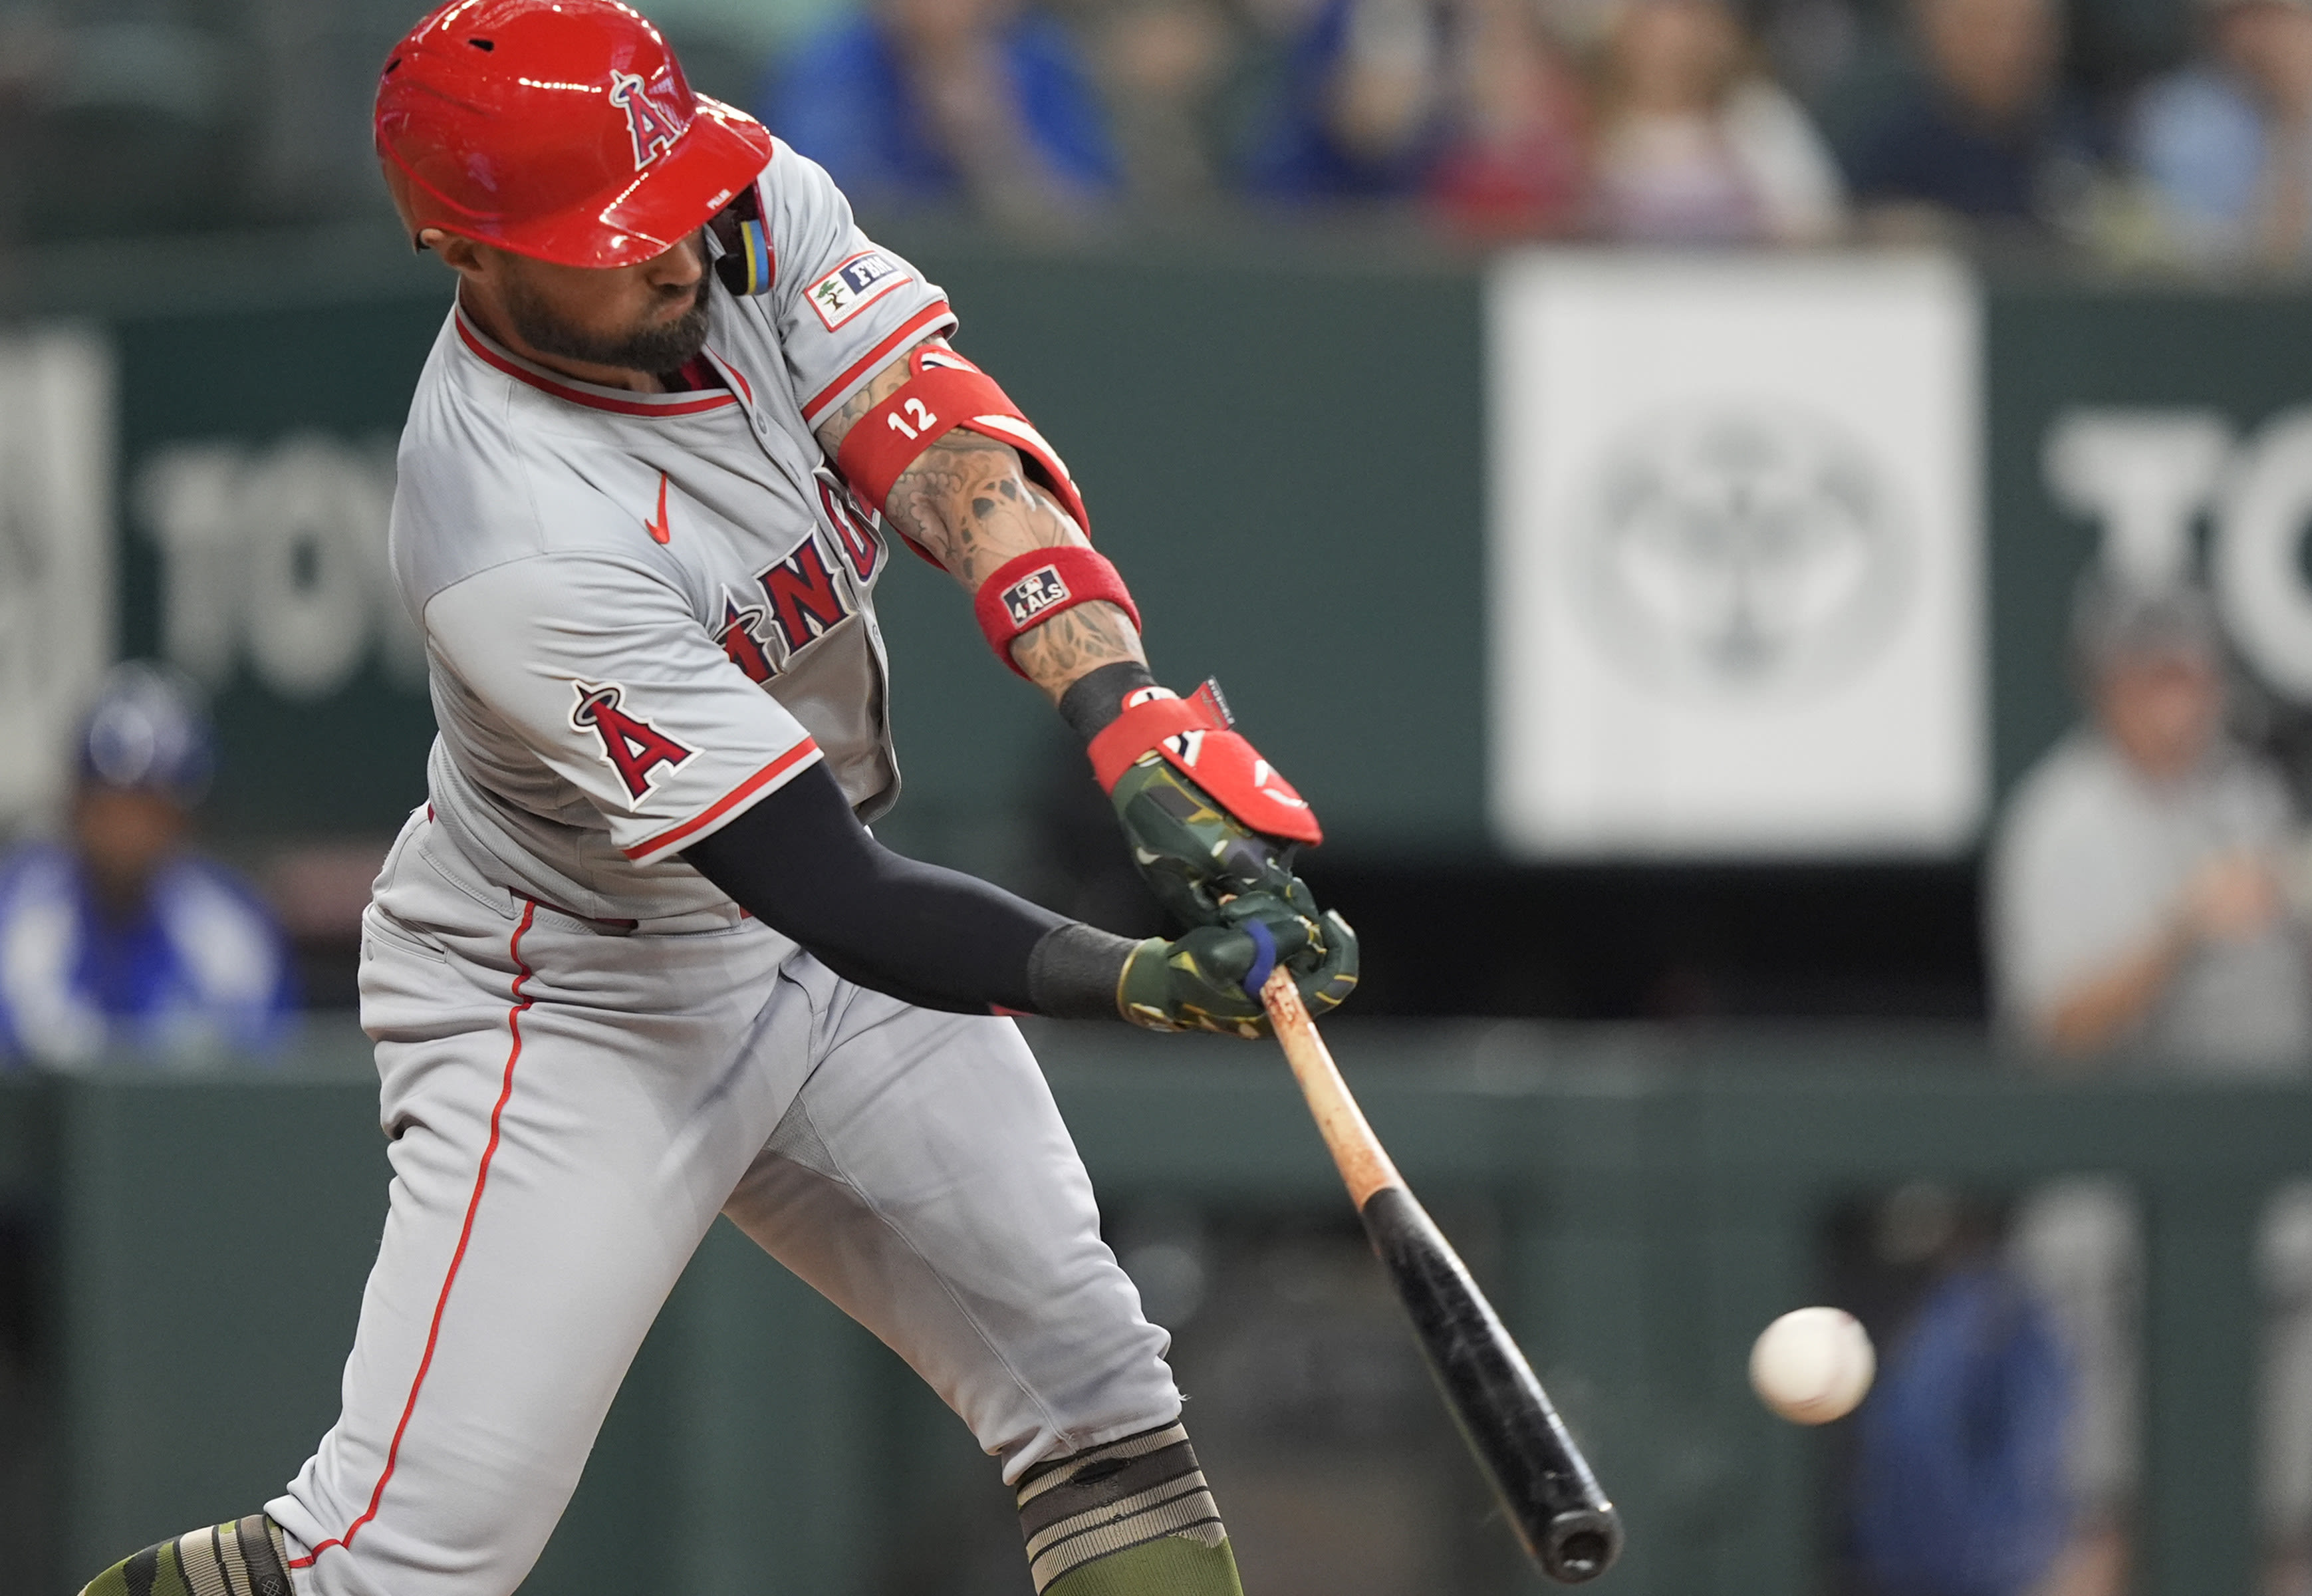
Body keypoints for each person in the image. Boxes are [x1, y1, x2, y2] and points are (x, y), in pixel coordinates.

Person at [75, 3, 1357, 1593]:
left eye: (673, 194)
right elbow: (827, 888)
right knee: (395, 1564)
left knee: (1101, 1397)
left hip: (818, 948)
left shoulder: (741, 207)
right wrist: (1137, 976)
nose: (676, 251)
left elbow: (946, 445)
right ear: (460, 247)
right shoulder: (505, 524)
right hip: (573, 987)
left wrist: (1123, 719)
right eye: (615, 235)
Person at [1987, 574, 2312, 1596]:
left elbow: (2308, 993)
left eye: (2191, 672)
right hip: (2113, 1231)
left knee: (2288, 1535)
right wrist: (2184, 929)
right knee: (2106, 1528)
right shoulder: (2062, 817)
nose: (2178, 697)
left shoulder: (2252, 797)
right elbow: (2053, 1030)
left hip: (2281, 1225)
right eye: (2153, 675)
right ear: (2106, 685)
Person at [0, 662, 293, 1068]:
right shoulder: (16, 909)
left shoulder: (231, 925)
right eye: (110, 805)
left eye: (149, 807)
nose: (127, 830)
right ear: (76, 805)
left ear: (182, 817)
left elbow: (264, 1082)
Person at [1430, 0, 1846, 243]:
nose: (1666, 38)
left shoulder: (1755, 118)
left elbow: (1813, 227)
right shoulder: (1583, 126)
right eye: (1651, 18)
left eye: (1683, 16)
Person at [760, 0, 1120, 221]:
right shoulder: (834, 66)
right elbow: (810, 215)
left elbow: (1091, 226)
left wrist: (990, 142)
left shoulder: (1038, 62)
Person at [2131, 0, 2312, 274]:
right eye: (2242, 18)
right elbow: (2178, 250)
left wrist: (2304, 121)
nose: (2263, 35)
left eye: (2280, 17)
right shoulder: (2181, 117)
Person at [1842, 0, 2105, 240]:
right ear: (1938, 38)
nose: (2009, 48)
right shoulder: (1893, 146)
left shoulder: (2081, 132)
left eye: (2027, 31)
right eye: (1988, 29)